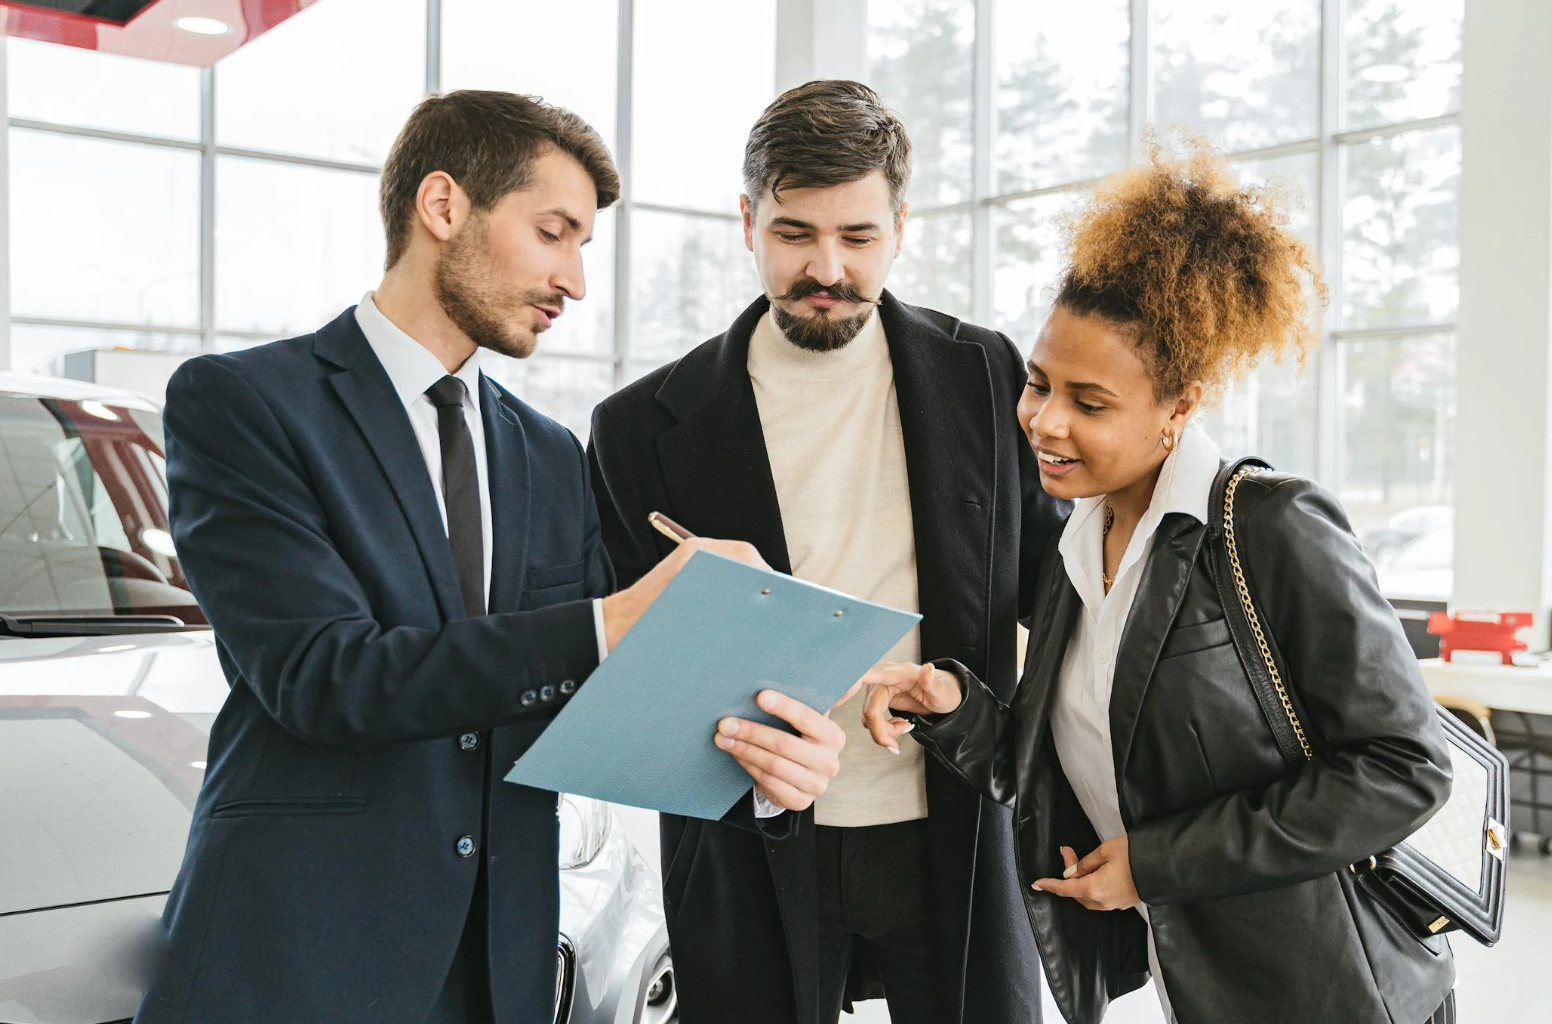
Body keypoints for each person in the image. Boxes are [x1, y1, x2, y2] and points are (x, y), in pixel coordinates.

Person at [136, 90, 846, 1024]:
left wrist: (758, 759)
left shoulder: (550, 454)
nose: (576, 281)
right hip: (303, 953)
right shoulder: (246, 404)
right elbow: (319, 676)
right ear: (442, 207)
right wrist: (612, 620)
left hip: (502, 966)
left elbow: (598, 703)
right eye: (554, 233)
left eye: (583, 245)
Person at [858, 137, 1458, 1024]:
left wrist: (1156, 862)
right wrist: (956, 712)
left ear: (1179, 406)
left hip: (1327, 992)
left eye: (1090, 404)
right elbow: (1073, 764)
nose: (1045, 422)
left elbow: (1406, 768)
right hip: (1195, 986)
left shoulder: (1271, 527)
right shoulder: (1079, 542)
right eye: (1037, 384)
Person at [588, 80, 1068, 1024]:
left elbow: (1054, 594)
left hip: (955, 823)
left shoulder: (988, 374)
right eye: (794, 233)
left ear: (901, 224)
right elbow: (624, 669)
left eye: (858, 238)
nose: (827, 268)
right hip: (745, 838)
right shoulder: (638, 428)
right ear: (746, 221)